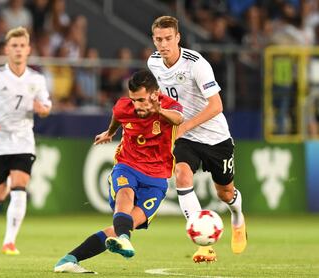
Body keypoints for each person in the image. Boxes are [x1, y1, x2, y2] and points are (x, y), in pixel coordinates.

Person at [54, 69, 183, 274]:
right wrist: (110, 132)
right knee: (125, 195)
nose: (137, 105)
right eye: (134, 100)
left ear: (155, 94)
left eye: (141, 100)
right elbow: (118, 115)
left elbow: (178, 119)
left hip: (157, 178)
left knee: (125, 224)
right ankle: (124, 239)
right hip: (127, 165)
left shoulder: (168, 106)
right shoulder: (124, 106)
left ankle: (69, 259)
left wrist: (160, 111)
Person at [148, 16, 247, 263]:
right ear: (153, 40)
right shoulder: (153, 63)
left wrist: (184, 126)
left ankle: (237, 218)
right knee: (181, 174)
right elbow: (163, 95)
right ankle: (203, 245)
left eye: (168, 39)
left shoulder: (196, 64)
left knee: (225, 192)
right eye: (159, 39)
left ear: (178, 37)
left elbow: (217, 105)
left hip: (215, 138)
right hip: (186, 137)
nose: (163, 44)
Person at [0, 27, 52, 255]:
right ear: (7, 49)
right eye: (14, 46)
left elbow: (46, 106)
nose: (18, 50)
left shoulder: (37, 79)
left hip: (23, 141)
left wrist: (42, 110)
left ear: (28, 49)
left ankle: (9, 242)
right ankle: (5, 185)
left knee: (20, 187)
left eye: (22, 46)